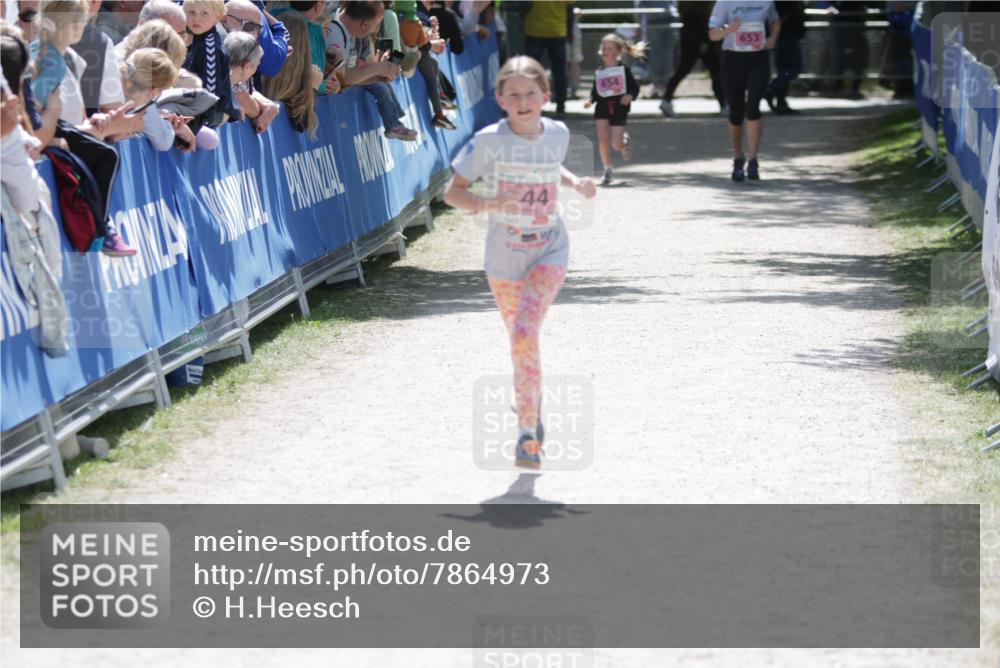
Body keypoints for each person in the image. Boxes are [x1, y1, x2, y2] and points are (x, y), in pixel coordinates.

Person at [443, 56, 596, 469]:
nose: (523, 101)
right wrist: (488, 203)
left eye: (531, 93)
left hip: (550, 247)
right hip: (504, 257)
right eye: (514, 94)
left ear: (546, 96)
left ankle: (527, 436)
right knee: (521, 342)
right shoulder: (489, 141)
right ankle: (531, 399)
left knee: (526, 332)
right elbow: (452, 192)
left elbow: (550, 164)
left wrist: (573, 182)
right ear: (500, 100)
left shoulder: (559, 132)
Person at [709, 0, 780, 182]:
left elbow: (775, 20)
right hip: (733, 60)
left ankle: (753, 160)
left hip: (758, 59)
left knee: (753, 108)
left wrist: (772, 38)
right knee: (736, 113)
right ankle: (738, 157)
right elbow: (712, 34)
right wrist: (729, 30)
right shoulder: (724, 3)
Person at [326, 0, 418, 141]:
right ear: (364, 25)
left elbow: (349, 77)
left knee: (382, 84)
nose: (375, 30)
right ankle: (393, 123)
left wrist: (378, 76)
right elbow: (342, 78)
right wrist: (377, 69)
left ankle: (395, 120)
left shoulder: (351, 30)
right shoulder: (334, 33)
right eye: (376, 26)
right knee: (381, 88)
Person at [584, 33, 642, 186]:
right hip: (602, 107)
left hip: (619, 108)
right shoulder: (600, 71)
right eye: (603, 48)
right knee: (602, 138)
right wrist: (590, 100)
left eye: (609, 48)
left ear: (618, 52)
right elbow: (595, 91)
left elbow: (634, 88)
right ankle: (607, 170)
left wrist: (629, 96)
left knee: (616, 144)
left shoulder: (624, 70)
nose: (605, 51)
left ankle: (624, 142)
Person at [660, 0, 724, 117]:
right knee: (716, 73)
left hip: (688, 39)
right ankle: (724, 105)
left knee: (682, 71)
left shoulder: (685, 5)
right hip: (702, 40)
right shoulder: (701, 5)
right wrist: (704, 41)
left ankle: (666, 100)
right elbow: (702, 22)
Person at [262, 10, 320, 135]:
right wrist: (313, 88)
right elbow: (301, 123)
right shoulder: (299, 84)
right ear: (304, 46)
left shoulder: (259, 65)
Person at [182, 0, 239, 125]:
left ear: (218, 17)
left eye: (204, 13)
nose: (197, 18)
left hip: (211, 114)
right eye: (192, 12)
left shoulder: (209, 47)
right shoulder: (196, 42)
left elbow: (210, 97)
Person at [523, 0, 572, 116]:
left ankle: (529, 105)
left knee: (531, 72)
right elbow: (570, 10)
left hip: (534, 31)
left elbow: (523, 6)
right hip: (558, 32)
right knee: (560, 72)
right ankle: (561, 107)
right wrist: (570, 33)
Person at [765, 0, 804, 114]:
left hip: (782, 35)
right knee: (795, 66)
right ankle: (772, 88)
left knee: (784, 69)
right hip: (787, 35)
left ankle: (781, 102)